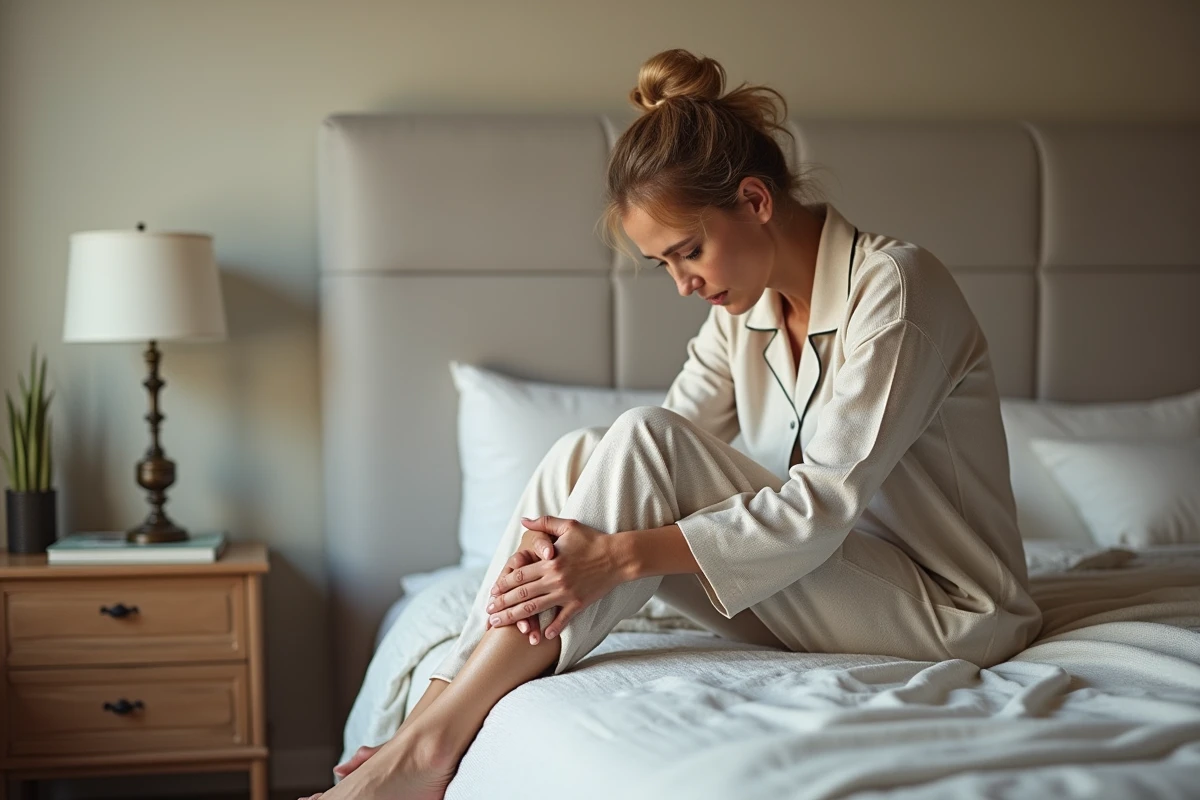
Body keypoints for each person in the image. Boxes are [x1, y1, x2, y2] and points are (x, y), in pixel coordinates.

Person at [302, 48, 1042, 800]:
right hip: (820, 582)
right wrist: (588, 539)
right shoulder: (743, 311)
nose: (685, 284)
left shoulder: (894, 287)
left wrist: (620, 558)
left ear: (755, 201)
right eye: (664, 264)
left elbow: (819, 503)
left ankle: (428, 743)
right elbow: (639, 465)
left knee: (637, 444)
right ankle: (428, 724)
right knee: (580, 456)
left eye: (690, 252)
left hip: (943, 609)